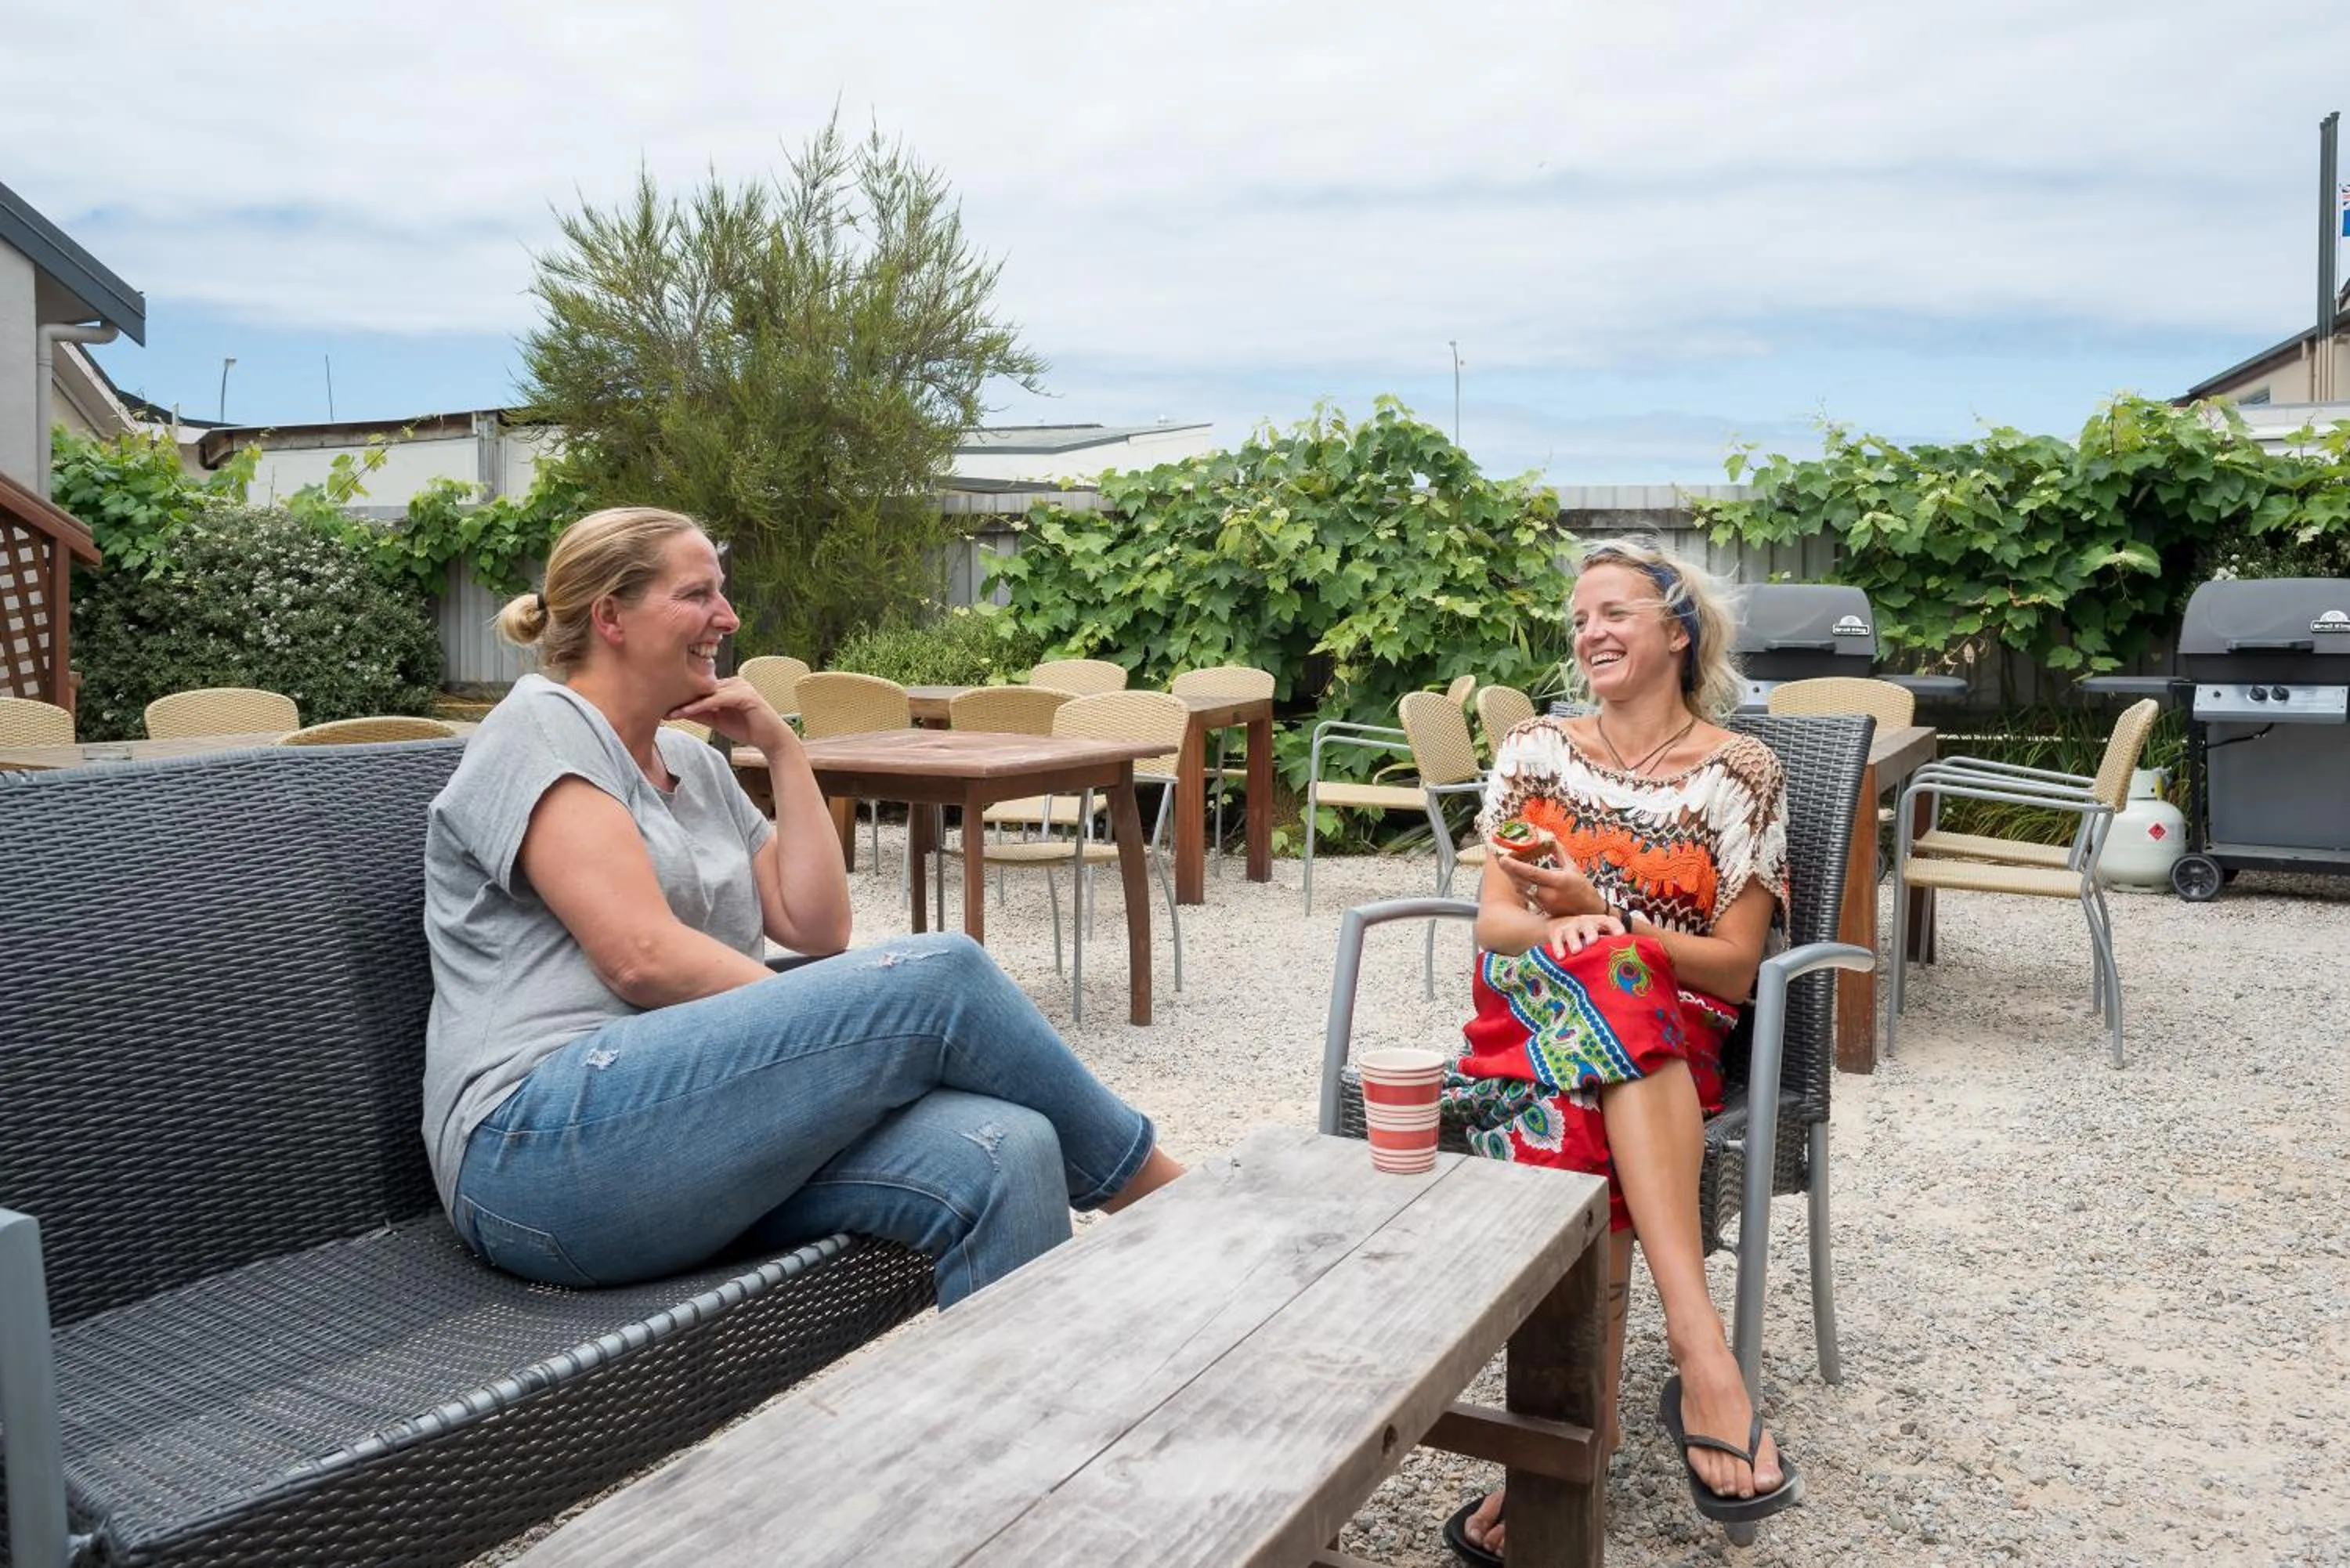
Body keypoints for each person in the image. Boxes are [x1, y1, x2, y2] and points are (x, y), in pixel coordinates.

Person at [420, 505, 1183, 1310]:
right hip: (537, 1148)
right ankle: (1172, 1201)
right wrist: (845, 1024)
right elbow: (639, 954)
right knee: (938, 976)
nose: (728, 616)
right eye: (698, 594)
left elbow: (817, 925)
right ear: (610, 614)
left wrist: (781, 748)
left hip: (678, 1133)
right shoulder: (542, 726)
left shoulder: (691, 759)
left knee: (1011, 1148)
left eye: (723, 592)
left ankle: (1015, 1431)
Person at [1444, 537, 1799, 1565]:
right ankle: (1702, 1352)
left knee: (1615, 1019)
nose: (1588, 631)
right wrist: (1584, 931)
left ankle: (1558, 1446)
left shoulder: (1743, 773)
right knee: (1612, 972)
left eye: (1614, 612)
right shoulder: (1535, 750)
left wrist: (1612, 921)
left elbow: (1734, 968)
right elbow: (1496, 926)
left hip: (1672, 1031)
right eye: (1580, 616)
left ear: (1679, 630)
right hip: (1528, 1012)